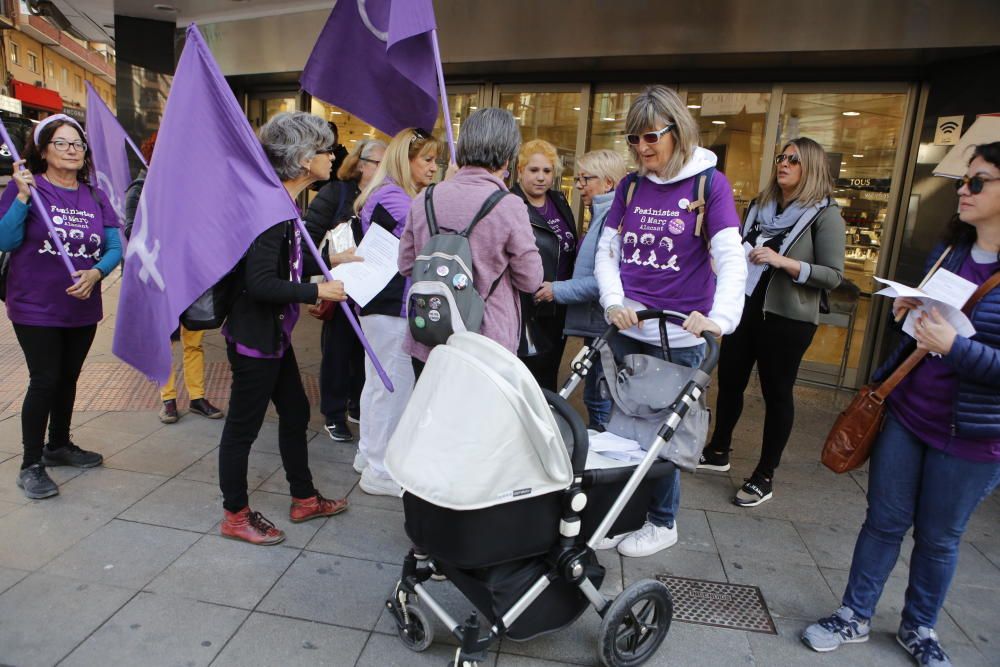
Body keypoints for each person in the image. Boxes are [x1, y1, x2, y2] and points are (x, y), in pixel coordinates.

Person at [802, 142, 1000, 667]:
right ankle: (853, 615)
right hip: (910, 414)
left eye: (978, 181)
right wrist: (911, 313)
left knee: (939, 539)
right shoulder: (952, 252)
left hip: (974, 437)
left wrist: (955, 348)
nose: (963, 189)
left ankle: (919, 629)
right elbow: (924, 332)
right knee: (883, 522)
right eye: (964, 180)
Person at [594, 85, 747, 557]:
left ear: (677, 132)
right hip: (629, 329)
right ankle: (625, 516)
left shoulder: (709, 185)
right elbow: (608, 249)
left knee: (665, 436)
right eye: (633, 139)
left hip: (678, 335)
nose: (641, 149)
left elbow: (730, 256)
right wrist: (613, 300)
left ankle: (663, 521)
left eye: (650, 138)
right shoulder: (631, 186)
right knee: (622, 433)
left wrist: (720, 319)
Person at [217, 112, 349, 545]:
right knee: (242, 428)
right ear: (304, 157)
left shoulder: (281, 203)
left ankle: (304, 497)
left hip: (272, 336)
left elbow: (286, 265)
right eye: (326, 149)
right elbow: (260, 283)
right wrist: (318, 293)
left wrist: (332, 263)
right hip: (256, 339)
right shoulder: (271, 208)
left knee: (294, 412)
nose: (333, 156)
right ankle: (235, 514)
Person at [699, 137, 845, 507]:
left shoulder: (825, 214)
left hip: (788, 318)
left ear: (810, 168)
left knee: (776, 393)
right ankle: (718, 450)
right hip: (746, 309)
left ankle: (764, 474)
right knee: (729, 382)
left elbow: (832, 275)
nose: (783, 164)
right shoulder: (758, 207)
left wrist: (784, 262)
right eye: (781, 157)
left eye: (793, 160)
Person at [0, 114, 121, 499]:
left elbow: (115, 246)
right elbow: (5, 238)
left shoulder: (95, 195)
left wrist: (96, 274)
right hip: (35, 304)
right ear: (44, 150)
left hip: (82, 304)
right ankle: (31, 464)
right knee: (45, 379)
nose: (72, 150)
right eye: (62, 143)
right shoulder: (28, 188)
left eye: (78, 144)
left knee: (68, 377)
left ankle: (59, 445)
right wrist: (20, 197)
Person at [399, 108, 544, 378]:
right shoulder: (508, 206)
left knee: (431, 416)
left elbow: (406, 264)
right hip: (485, 341)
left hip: (429, 334)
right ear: (509, 154)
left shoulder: (425, 199)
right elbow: (531, 279)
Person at [354, 127, 440, 496]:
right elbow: (427, 235)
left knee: (379, 384)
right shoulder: (396, 197)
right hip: (390, 305)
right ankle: (379, 469)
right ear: (406, 160)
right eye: (428, 160)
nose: (435, 168)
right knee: (392, 386)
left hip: (384, 304)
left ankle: (368, 457)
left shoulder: (392, 194)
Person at [124, 131, 224, 424]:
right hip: (158, 277)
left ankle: (196, 397)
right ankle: (167, 399)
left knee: (194, 339)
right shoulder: (141, 188)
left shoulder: (189, 189)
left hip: (190, 276)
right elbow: (132, 231)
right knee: (164, 341)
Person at [535, 149, 626, 430]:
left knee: (600, 399)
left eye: (586, 178)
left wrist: (557, 290)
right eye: (578, 178)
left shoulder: (612, 219)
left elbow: (605, 281)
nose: (579, 185)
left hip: (603, 326)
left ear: (608, 183)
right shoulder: (601, 215)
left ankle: (606, 464)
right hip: (597, 325)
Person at [304, 138, 386, 444]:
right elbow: (305, 245)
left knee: (365, 351)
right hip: (340, 288)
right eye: (380, 163)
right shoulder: (335, 194)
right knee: (337, 352)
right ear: (361, 164)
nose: (386, 169)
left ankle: (356, 405)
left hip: (375, 289)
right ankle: (334, 414)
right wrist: (332, 262)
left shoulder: (388, 196)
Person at [512, 139, 577, 391]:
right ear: (520, 171)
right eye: (534, 170)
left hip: (558, 305)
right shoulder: (511, 203)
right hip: (528, 307)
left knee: (549, 374)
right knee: (527, 378)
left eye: (547, 171)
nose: (541, 177)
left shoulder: (559, 201)